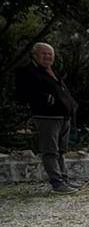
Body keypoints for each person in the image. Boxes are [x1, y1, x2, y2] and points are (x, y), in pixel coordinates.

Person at [14, 42, 82, 194]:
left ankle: (64, 179)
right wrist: (46, 99)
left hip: (63, 116)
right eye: (44, 53)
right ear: (35, 55)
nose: (48, 56)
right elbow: (23, 94)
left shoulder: (52, 71)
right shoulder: (28, 72)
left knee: (60, 151)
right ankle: (57, 183)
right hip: (47, 116)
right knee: (50, 150)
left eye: (50, 54)